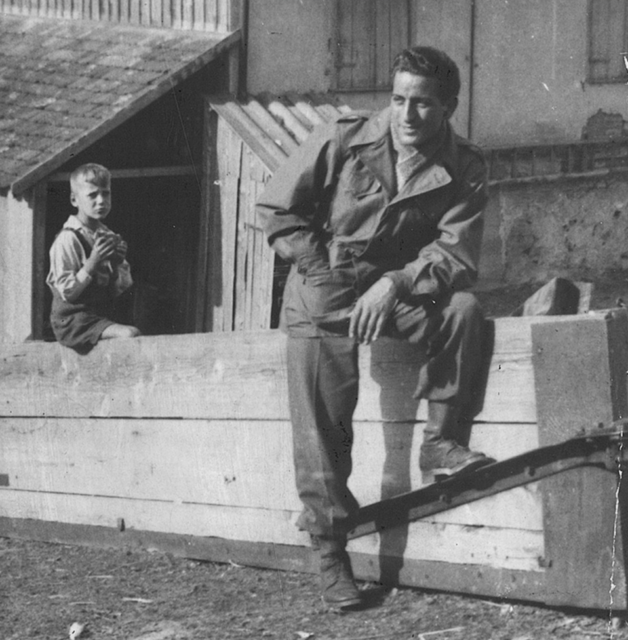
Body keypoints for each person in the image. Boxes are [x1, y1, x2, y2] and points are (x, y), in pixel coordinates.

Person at [257, 45, 495, 609]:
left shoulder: (465, 165)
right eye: (398, 99)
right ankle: (329, 552)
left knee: (464, 312)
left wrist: (395, 284)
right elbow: (279, 212)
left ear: (450, 107)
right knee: (324, 425)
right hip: (324, 286)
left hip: (397, 290)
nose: (406, 116)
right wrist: (324, 273)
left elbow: (457, 252)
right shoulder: (344, 138)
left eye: (422, 104)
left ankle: (441, 442)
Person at [46, 163, 140, 354]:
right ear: (74, 199)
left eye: (106, 193)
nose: (101, 201)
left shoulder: (106, 235)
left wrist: (117, 263)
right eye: (92, 195)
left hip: (98, 315)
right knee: (130, 334)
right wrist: (92, 262)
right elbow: (68, 293)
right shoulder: (68, 238)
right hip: (73, 320)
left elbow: (118, 291)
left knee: (134, 327)